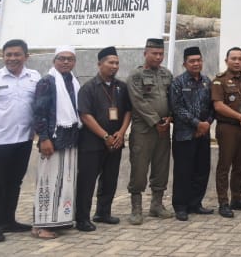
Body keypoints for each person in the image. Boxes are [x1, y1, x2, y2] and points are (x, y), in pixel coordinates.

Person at [0, 39, 40, 243]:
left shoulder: (34, 77)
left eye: (17, 54)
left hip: (23, 139)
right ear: (3, 56)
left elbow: (37, 107)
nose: (12, 58)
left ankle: (8, 221)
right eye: (8, 55)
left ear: (26, 56)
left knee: (15, 182)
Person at [75, 46, 131, 232]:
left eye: (116, 63)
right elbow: (85, 115)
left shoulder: (121, 87)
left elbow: (128, 112)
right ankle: (82, 218)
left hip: (115, 142)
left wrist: (121, 133)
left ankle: (103, 212)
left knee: (110, 179)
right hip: (92, 143)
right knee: (87, 181)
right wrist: (105, 136)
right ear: (100, 64)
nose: (114, 66)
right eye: (110, 62)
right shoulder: (88, 88)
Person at [31, 46, 81, 239]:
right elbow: (39, 112)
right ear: (54, 60)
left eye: (70, 59)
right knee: (48, 181)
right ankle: (42, 226)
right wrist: (43, 138)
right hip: (52, 138)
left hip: (70, 138)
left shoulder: (72, 81)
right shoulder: (47, 81)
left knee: (65, 182)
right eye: (62, 58)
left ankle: (60, 220)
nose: (66, 62)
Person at [126, 37, 174, 225]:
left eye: (161, 54)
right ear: (145, 53)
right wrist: (156, 121)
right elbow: (138, 102)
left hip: (164, 129)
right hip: (143, 130)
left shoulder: (167, 74)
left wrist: (170, 116)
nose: (158, 57)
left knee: (161, 167)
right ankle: (136, 208)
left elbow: (172, 98)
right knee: (139, 168)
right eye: (154, 53)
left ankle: (157, 205)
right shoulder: (136, 76)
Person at [212, 47, 241, 219]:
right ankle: (223, 202)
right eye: (234, 58)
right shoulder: (219, 81)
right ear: (226, 61)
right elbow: (218, 105)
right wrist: (240, 116)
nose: (237, 61)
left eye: (240, 59)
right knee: (224, 165)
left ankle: (236, 198)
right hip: (228, 127)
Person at [169, 46, 214, 221]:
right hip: (184, 135)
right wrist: (197, 124)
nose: (196, 63)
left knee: (202, 170)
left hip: (203, 134)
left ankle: (195, 203)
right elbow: (177, 108)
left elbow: (213, 106)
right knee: (183, 171)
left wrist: (207, 124)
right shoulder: (177, 82)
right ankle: (180, 206)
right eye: (192, 61)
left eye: (198, 60)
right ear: (185, 63)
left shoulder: (207, 81)